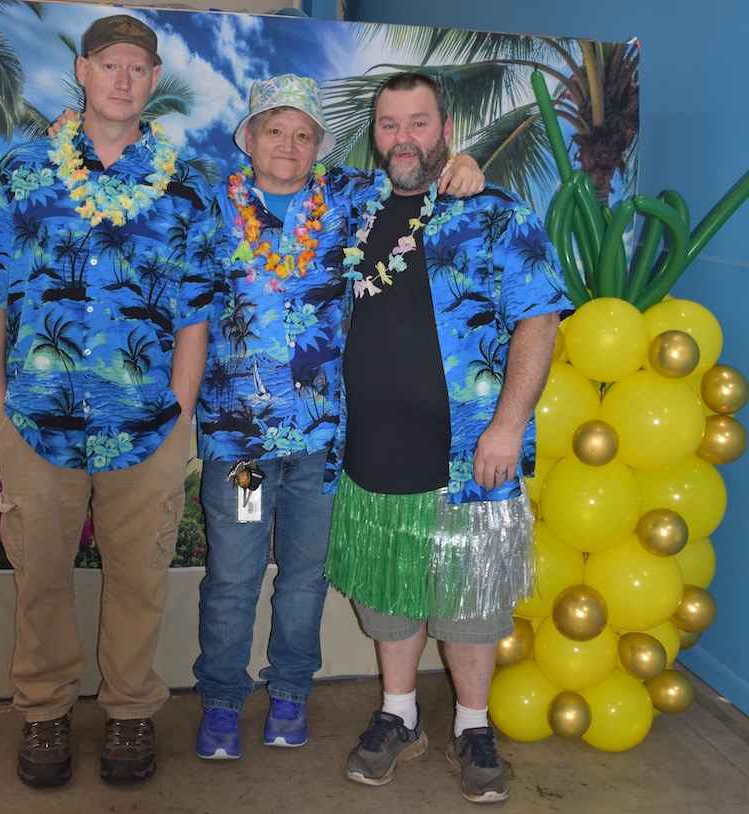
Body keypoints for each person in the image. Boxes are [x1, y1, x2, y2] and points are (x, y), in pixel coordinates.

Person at [193, 74, 486, 760]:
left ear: (320, 147)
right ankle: (222, 702)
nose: (289, 145)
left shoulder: (354, 199)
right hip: (243, 448)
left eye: (303, 134)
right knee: (234, 575)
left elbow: (419, 174)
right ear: (250, 139)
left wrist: (466, 162)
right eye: (275, 131)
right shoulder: (211, 207)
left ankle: (291, 693)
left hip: (324, 445)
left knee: (304, 577)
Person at [0, 15, 214, 787]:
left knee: (139, 574)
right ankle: (43, 714)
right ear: (82, 70)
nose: (124, 79)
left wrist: (179, 408)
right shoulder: (24, 169)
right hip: (36, 419)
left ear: (152, 78)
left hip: (150, 423)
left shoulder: (185, 182)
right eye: (110, 65)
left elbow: (195, 311)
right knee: (39, 574)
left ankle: (131, 710)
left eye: (140, 68)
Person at [325, 72, 573, 804]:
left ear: (446, 127)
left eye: (419, 123)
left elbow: (539, 318)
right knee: (390, 594)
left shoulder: (494, 212)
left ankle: (472, 725)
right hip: (370, 447)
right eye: (390, 124)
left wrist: (509, 424)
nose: (404, 138)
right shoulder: (347, 206)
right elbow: (273, 162)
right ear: (375, 134)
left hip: (469, 452)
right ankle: (399, 716)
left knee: (467, 599)